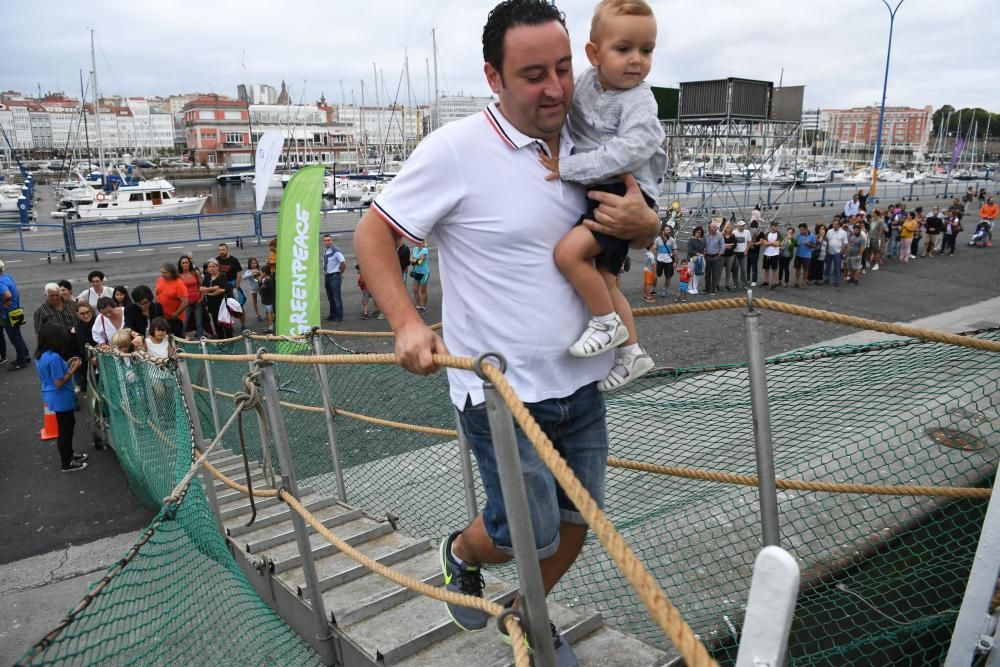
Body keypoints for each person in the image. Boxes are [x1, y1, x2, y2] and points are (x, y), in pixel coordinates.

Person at [353, 0, 657, 658]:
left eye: (563, 68)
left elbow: (637, 214)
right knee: (532, 529)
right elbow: (373, 233)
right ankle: (461, 548)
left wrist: (649, 224)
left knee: (579, 520)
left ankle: (524, 613)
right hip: (502, 391)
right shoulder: (456, 150)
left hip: (582, 378)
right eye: (532, 75)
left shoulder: (588, 133)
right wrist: (406, 323)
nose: (555, 88)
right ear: (494, 77)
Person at [536, 0, 662, 390]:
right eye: (624, 49)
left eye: (647, 50)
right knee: (605, 277)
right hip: (606, 189)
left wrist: (566, 168)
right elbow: (565, 109)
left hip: (626, 193)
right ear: (593, 53)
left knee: (567, 254)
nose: (636, 61)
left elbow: (627, 152)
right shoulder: (587, 83)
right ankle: (632, 352)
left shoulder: (641, 101)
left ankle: (606, 324)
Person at [35, 322, 87, 472]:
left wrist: (67, 363)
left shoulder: (41, 355)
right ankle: (67, 463)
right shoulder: (55, 357)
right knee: (66, 430)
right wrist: (73, 369)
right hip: (61, 396)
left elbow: (52, 373)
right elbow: (59, 381)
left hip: (50, 395)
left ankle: (70, 454)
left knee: (65, 427)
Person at [0, 260, 31, 370]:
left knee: (14, 338)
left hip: (8, 314)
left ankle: (21, 361)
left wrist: (4, 302)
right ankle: (25, 354)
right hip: (16, 310)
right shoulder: (7, 276)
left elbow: (7, 294)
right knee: (18, 335)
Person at [155, 263, 189, 338]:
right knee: (162, 336)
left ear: (172, 273)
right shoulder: (160, 279)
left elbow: (185, 302)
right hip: (161, 316)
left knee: (177, 337)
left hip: (173, 318)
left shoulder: (179, 284)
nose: (162, 275)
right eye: (162, 272)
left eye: (165, 273)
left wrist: (176, 314)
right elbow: (157, 294)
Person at [200, 259, 231, 338]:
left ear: (217, 267)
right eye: (209, 267)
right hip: (212, 305)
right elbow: (201, 288)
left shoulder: (222, 276)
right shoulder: (207, 277)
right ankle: (221, 343)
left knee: (226, 324)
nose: (211, 268)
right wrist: (212, 289)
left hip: (222, 304)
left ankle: (230, 342)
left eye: (213, 266)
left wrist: (208, 293)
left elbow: (222, 290)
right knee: (217, 324)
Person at [178, 255, 204, 339]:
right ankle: (181, 341)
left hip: (197, 301)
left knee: (199, 323)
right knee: (184, 323)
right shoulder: (178, 276)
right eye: (183, 263)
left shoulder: (195, 273)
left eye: (186, 262)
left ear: (189, 263)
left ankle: (201, 342)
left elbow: (201, 285)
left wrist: (202, 296)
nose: (185, 264)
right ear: (180, 264)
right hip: (186, 304)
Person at [322, 235, 346, 322]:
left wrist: (339, 274)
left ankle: (339, 317)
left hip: (334, 276)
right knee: (330, 298)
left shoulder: (336, 251)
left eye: (329, 240)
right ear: (323, 242)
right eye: (325, 240)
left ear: (332, 241)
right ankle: (332, 315)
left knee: (336, 298)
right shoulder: (326, 250)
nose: (327, 242)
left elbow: (343, 263)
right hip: (327, 276)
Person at [824, 218, 848, 286]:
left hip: (837, 253)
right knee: (827, 266)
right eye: (833, 224)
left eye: (835, 224)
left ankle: (836, 281)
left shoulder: (843, 232)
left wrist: (841, 251)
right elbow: (826, 240)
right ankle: (826, 278)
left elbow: (845, 243)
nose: (834, 225)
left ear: (839, 225)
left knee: (837, 268)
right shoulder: (829, 231)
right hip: (829, 252)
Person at [409, 240, 431, 313]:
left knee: (423, 291)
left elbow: (420, 262)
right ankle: (418, 306)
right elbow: (411, 259)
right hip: (416, 272)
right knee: (415, 290)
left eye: (417, 241)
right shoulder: (415, 248)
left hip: (424, 273)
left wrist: (414, 260)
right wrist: (414, 260)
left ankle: (424, 307)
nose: (416, 242)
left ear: (422, 241)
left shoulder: (425, 250)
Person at [704, 220, 724, 294]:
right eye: (713, 227)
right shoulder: (706, 235)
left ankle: (713, 289)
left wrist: (719, 255)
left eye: (716, 227)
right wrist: (704, 251)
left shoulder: (720, 235)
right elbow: (704, 245)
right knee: (707, 274)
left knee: (715, 274)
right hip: (708, 257)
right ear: (709, 228)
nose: (715, 228)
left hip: (716, 257)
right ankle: (707, 289)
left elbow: (722, 246)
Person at [653, 225, 674, 296]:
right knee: (655, 275)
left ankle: (664, 290)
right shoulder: (657, 239)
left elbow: (675, 250)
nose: (669, 231)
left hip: (669, 261)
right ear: (663, 231)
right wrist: (656, 257)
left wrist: (676, 261)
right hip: (659, 260)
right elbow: (654, 248)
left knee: (668, 277)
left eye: (669, 230)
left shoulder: (672, 240)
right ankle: (653, 288)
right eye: (667, 230)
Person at [793, 223, 815, 288]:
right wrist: (796, 244)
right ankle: (797, 282)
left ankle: (804, 282)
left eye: (802, 230)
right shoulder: (799, 235)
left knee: (806, 270)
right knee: (797, 269)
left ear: (806, 229)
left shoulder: (812, 236)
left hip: (807, 256)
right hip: (798, 255)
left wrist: (808, 244)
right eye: (800, 230)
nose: (801, 231)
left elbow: (815, 245)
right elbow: (795, 244)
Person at [686, 225, 705, 295]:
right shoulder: (691, 240)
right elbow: (689, 250)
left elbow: (703, 249)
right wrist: (698, 254)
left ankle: (695, 287)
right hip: (691, 258)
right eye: (697, 232)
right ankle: (689, 287)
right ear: (694, 232)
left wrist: (702, 254)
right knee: (691, 273)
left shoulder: (701, 241)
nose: (698, 233)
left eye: (700, 232)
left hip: (699, 259)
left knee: (697, 273)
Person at [760, 221, 780, 288]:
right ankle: (766, 281)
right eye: (776, 226)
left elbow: (777, 244)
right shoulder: (767, 234)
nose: (777, 227)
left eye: (777, 226)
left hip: (775, 254)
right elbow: (764, 243)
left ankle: (775, 282)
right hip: (767, 253)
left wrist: (769, 243)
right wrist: (772, 243)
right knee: (766, 268)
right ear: (772, 226)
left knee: (774, 269)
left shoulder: (778, 234)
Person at [732, 220, 750, 290]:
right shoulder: (734, 232)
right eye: (741, 226)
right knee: (735, 269)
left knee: (743, 269)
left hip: (743, 253)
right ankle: (736, 283)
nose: (742, 227)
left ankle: (744, 284)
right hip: (735, 253)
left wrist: (746, 250)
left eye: (743, 226)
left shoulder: (747, 232)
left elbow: (749, 242)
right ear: (738, 226)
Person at [243, 258, 263, 322]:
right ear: (249, 264)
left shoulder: (259, 269)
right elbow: (244, 277)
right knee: (255, 301)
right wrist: (252, 273)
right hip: (253, 289)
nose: (254, 264)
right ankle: (257, 314)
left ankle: (267, 312)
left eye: (255, 263)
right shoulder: (248, 271)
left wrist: (258, 272)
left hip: (260, 287)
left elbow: (263, 275)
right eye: (252, 263)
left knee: (264, 300)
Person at [258, 264, 275, 333]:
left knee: (269, 313)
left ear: (264, 272)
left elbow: (261, 289)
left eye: (261, 272)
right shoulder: (268, 278)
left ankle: (270, 328)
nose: (261, 273)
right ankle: (269, 326)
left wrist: (259, 280)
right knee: (268, 312)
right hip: (267, 298)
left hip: (267, 299)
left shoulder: (267, 280)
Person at [720, 222, 737, 291]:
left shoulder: (733, 236)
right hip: (722, 256)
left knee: (728, 271)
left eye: (730, 228)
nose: (728, 229)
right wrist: (725, 246)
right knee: (719, 270)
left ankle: (727, 285)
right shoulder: (722, 235)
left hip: (730, 255)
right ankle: (717, 284)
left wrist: (731, 246)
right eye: (727, 228)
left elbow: (735, 244)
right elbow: (719, 244)